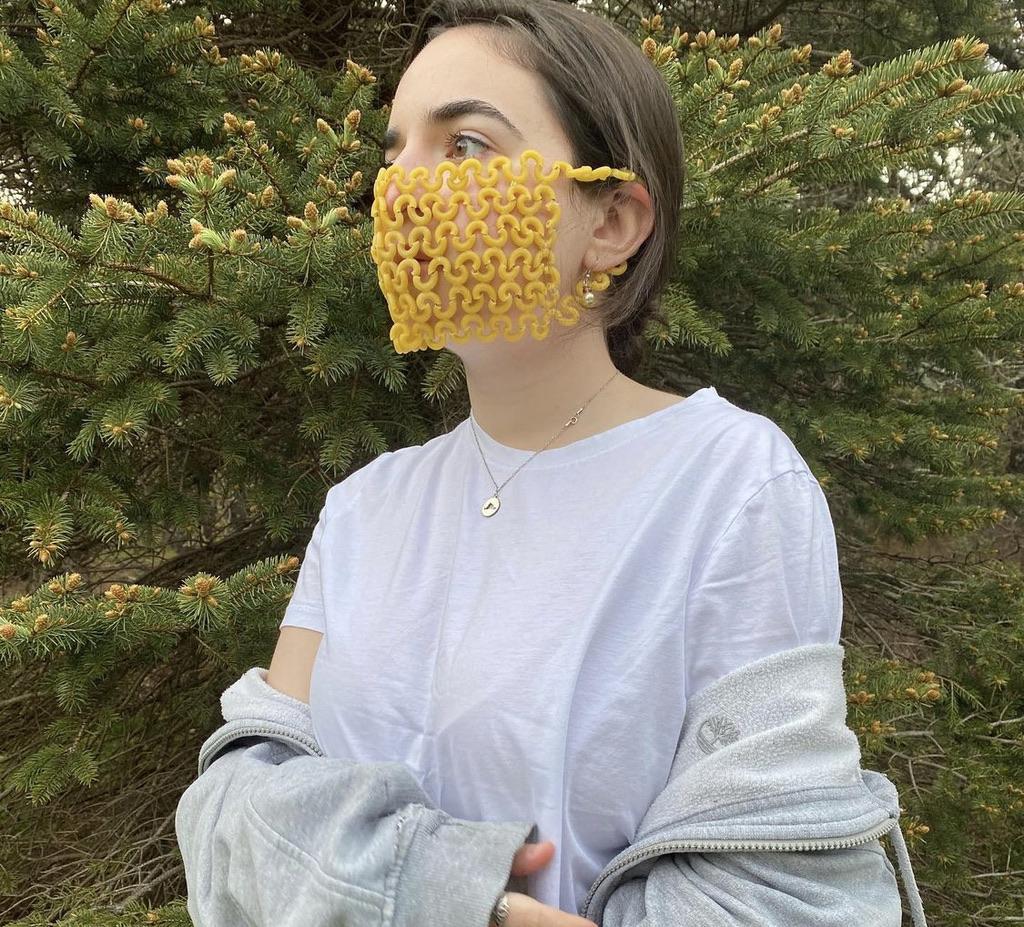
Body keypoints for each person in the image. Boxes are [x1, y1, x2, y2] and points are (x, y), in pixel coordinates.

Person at [267, 1, 843, 923]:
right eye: (393, 151)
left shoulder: (730, 485)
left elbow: (785, 888)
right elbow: (244, 800)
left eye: (464, 147)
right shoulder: (363, 508)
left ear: (611, 221)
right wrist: (446, 891)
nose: (401, 188)